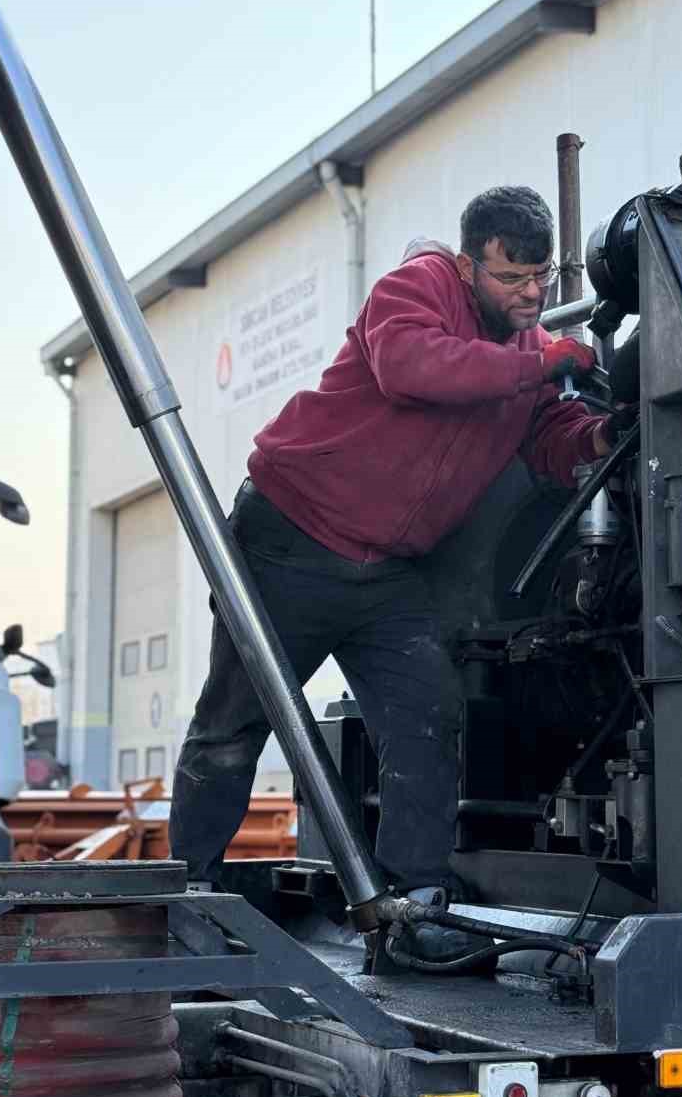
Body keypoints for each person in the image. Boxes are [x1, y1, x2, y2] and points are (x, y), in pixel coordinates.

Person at [169, 185, 614, 954]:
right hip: (291, 544)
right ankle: (185, 895)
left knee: (426, 718)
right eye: (512, 278)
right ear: (472, 264)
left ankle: (411, 909)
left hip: (387, 575)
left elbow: (547, 439)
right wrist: (538, 366)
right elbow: (415, 366)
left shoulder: (526, 353)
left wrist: (604, 434)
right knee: (232, 725)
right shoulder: (418, 289)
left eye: (541, 276)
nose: (532, 293)